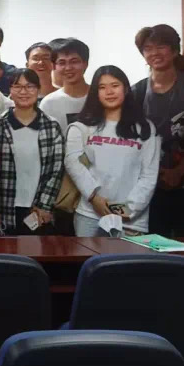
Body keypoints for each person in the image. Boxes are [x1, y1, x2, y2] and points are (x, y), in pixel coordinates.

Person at [66, 65, 159, 237]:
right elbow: (74, 165)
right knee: (87, 256)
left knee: (125, 257)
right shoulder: (81, 127)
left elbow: (149, 175)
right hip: (89, 214)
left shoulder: (145, 128)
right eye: (102, 87)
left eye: (115, 85)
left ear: (126, 89)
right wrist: (94, 198)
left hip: (131, 219)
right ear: (95, 93)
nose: (109, 92)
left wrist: (127, 209)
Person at [132, 25, 184, 237]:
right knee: (152, 247)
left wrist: (179, 171)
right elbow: (133, 139)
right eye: (148, 48)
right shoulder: (136, 91)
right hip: (149, 188)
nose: (154, 53)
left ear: (174, 51)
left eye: (161, 47)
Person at [0, 69, 65, 235]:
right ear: (10, 90)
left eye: (30, 86)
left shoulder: (51, 126)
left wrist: (44, 205)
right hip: (4, 206)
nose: (23, 92)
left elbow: (57, 169)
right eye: (18, 86)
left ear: (38, 89)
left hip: (38, 209)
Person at [39, 37, 91, 233]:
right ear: (54, 67)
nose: (68, 67)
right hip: (63, 186)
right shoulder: (49, 103)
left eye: (74, 61)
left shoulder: (99, 96)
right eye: (62, 62)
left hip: (99, 182)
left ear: (85, 63)